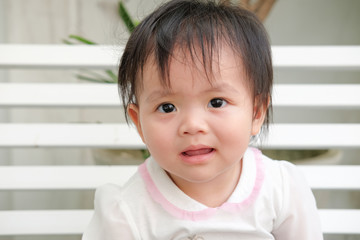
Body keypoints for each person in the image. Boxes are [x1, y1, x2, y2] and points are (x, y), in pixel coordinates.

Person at [83, 0, 323, 239]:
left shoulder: (281, 190)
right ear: (139, 124)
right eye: (167, 107)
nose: (192, 126)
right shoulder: (128, 212)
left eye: (216, 102)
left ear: (256, 112)